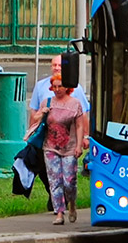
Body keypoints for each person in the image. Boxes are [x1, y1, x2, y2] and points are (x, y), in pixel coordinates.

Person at [27, 71, 89, 225]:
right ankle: (59, 213)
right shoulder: (47, 103)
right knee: (54, 181)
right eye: (54, 87)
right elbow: (34, 119)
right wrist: (42, 113)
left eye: (60, 86)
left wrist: (79, 144)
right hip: (50, 147)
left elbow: (80, 125)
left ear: (67, 87)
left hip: (69, 147)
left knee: (69, 181)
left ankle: (72, 205)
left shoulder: (75, 104)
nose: (57, 89)